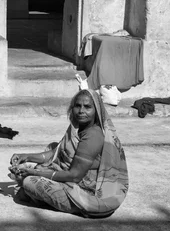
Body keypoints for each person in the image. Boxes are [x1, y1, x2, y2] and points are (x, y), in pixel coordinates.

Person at [8, 89, 129, 217]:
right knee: (53, 147)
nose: (81, 111)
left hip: (82, 190)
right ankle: (38, 191)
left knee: (29, 182)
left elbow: (75, 176)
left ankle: (75, 206)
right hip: (68, 176)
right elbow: (55, 153)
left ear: (97, 110)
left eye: (87, 107)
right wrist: (26, 157)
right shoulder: (77, 127)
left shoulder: (93, 136)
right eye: (78, 106)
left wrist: (34, 172)